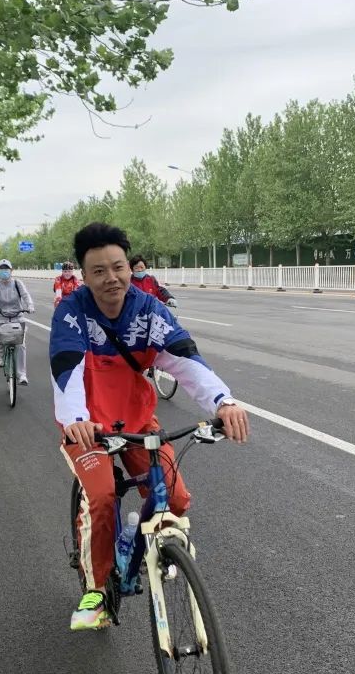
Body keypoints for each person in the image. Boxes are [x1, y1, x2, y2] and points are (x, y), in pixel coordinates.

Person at [50, 223, 249, 631]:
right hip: (88, 428)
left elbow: (184, 358)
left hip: (137, 421)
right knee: (102, 497)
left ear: (130, 267)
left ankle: (139, 547)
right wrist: (76, 419)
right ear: (84, 276)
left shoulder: (149, 311)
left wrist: (223, 401)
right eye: (99, 271)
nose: (111, 277)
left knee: (174, 499)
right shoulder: (71, 312)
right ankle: (96, 588)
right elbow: (66, 368)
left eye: (118, 266)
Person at [0, 259, 34, 385]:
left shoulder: (17, 283)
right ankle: (0, 355)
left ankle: (22, 375)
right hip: (1, 317)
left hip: (18, 316)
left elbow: (26, 295)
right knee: (3, 338)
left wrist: (30, 306)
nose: (4, 271)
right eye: (1, 269)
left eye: (6, 269)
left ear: (11, 270)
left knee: (21, 345)